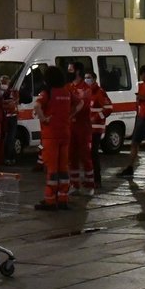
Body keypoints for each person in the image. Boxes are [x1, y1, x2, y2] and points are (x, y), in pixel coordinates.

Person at [34, 65, 75, 210]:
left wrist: (44, 118)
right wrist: (69, 116)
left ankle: (50, 200)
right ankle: (63, 198)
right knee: (63, 168)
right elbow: (80, 103)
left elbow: (37, 106)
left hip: (51, 136)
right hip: (65, 134)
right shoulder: (67, 92)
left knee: (52, 169)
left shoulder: (47, 93)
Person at [78, 70, 112, 195]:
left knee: (93, 154)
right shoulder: (85, 92)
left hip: (96, 128)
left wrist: (96, 117)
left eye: (89, 77)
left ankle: (97, 180)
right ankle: (89, 179)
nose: (87, 79)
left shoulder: (99, 92)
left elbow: (108, 108)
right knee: (86, 154)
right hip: (87, 128)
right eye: (85, 77)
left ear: (94, 79)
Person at [68, 67, 92, 198]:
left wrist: (70, 113)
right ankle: (74, 184)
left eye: (71, 70)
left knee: (85, 156)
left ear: (78, 72)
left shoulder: (86, 88)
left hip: (83, 127)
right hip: (71, 126)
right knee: (72, 157)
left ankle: (89, 185)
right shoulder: (68, 86)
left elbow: (83, 104)